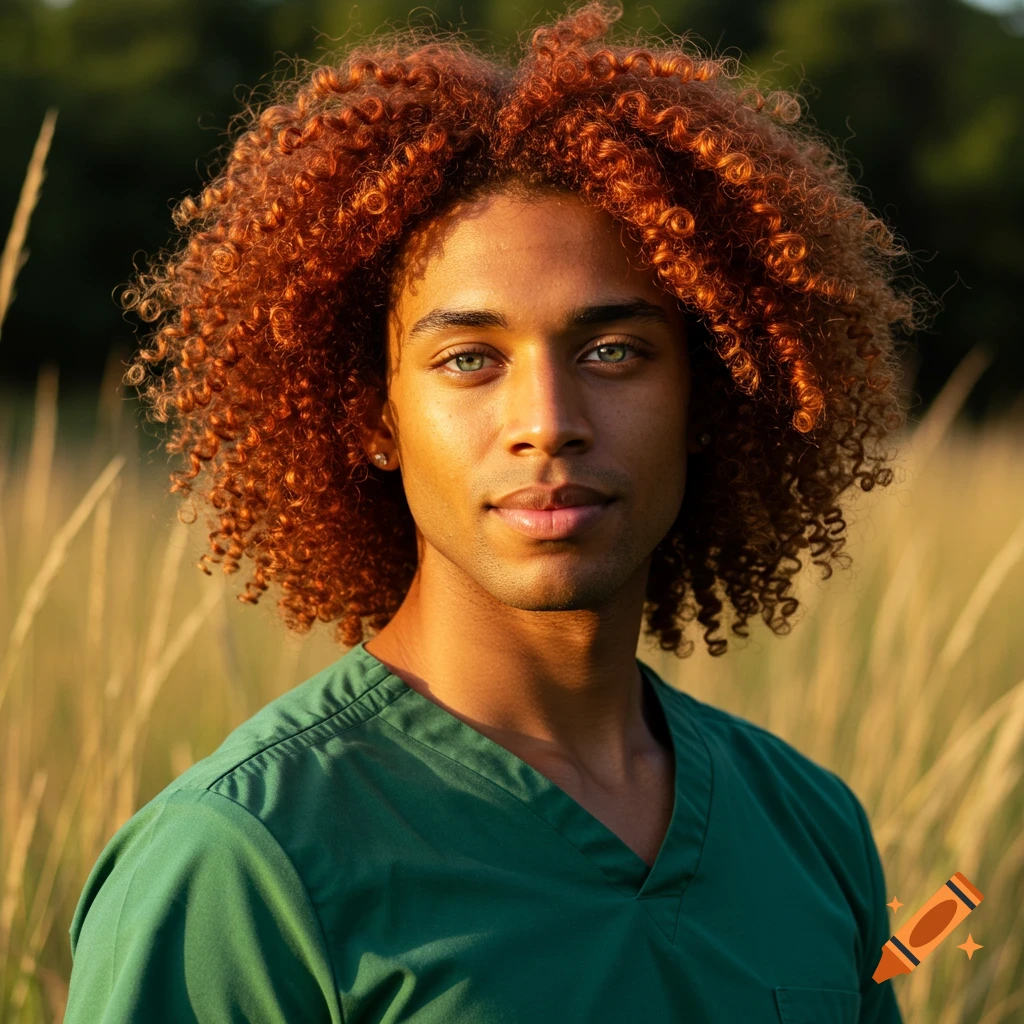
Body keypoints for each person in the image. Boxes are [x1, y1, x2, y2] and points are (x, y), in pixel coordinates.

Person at [65, 3, 915, 1021]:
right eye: (469, 359)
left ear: (708, 395)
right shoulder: (243, 861)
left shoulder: (809, 827)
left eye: (613, 353)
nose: (548, 423)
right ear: (372, 416)